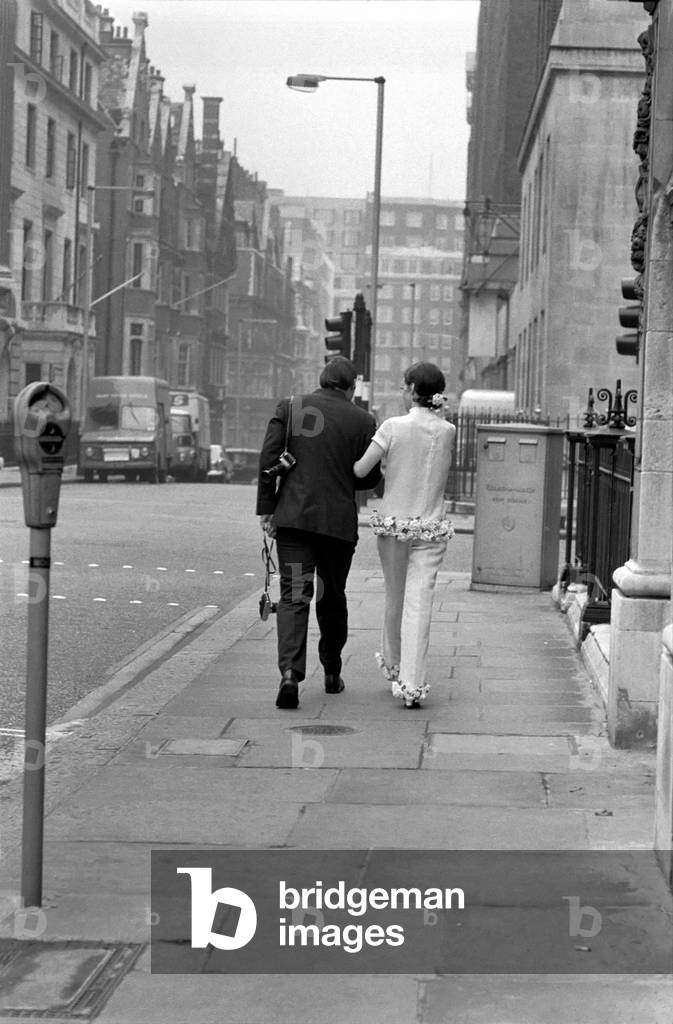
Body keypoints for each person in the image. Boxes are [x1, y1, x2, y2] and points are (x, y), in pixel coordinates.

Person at [257, 357, 381, 710]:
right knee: (332, 596)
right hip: (337, 527)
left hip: (294, 521)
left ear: (321, 381)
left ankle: (290, 676)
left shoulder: (291, 407)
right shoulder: (363, 420)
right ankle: (331, 671)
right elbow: (369, 478)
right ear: (351, 387)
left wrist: (268, 507)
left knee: (295, 594)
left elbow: (268, 459)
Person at [353, 362, 456, 708]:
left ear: (413, 390)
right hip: (432, 526)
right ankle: (412, 684)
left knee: (395, 598)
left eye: (402, 386)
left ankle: (394, 667)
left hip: (395, 526)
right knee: (420, 603)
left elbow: (360, 469)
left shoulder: (392, 426)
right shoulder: (448, 430)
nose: (401, 391)